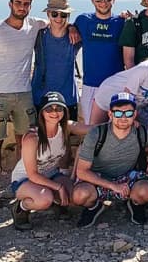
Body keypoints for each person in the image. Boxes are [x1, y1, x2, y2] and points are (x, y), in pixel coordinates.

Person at [0, 0, 49, 208]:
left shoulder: (35, 25)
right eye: (18, 3)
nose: (22, 7)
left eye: (26, 4)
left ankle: (21, 183)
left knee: (25, 141)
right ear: (10, 4)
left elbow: (58, 21)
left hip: (24, 93)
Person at [9, 92, 92, 230]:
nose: (54, 112)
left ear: (64, 111)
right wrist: (57, 187)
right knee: (44, 199)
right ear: (42, 112)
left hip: (51, 174)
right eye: (49, 109)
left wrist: (119, 121)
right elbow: (33, 175)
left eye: (59, 108)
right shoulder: (32, 137)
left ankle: (57, 201)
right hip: (25, 180)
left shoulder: (65, 127)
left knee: (75, 197)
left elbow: (92, 129)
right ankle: (21, 208)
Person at [72, 92, 148, 227]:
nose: (123, 118)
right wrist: (113, 186)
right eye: (118, 113)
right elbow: (82, 171)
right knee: (79, 195)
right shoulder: (97, 134)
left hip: (127, 177)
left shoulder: (141, 133)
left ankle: (135, 203)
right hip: (99, 178)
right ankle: (94, 206)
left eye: (128, 113)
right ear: (110, 114)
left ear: (134, 115)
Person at [91, 36, 148, 127]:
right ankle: (75, 128)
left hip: (133, 105)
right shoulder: (145, 69)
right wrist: (131, 118)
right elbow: (126, 95)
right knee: (94, 132)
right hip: (109, 93)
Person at [73, 0, 126, 123]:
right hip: (90, 85)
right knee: (91, 128)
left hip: (115, 84)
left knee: (116, 127)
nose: (103, 2)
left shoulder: (122, 22)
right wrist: (71, 28)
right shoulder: (83, 20)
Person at [31, 0, 81, 121]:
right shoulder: (38, 35)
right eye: (55, 14)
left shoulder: (75, 37)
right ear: (48, 14)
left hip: (68, 99)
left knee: (66, 139)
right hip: (41, 97)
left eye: (63, 15)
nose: (59, 18)